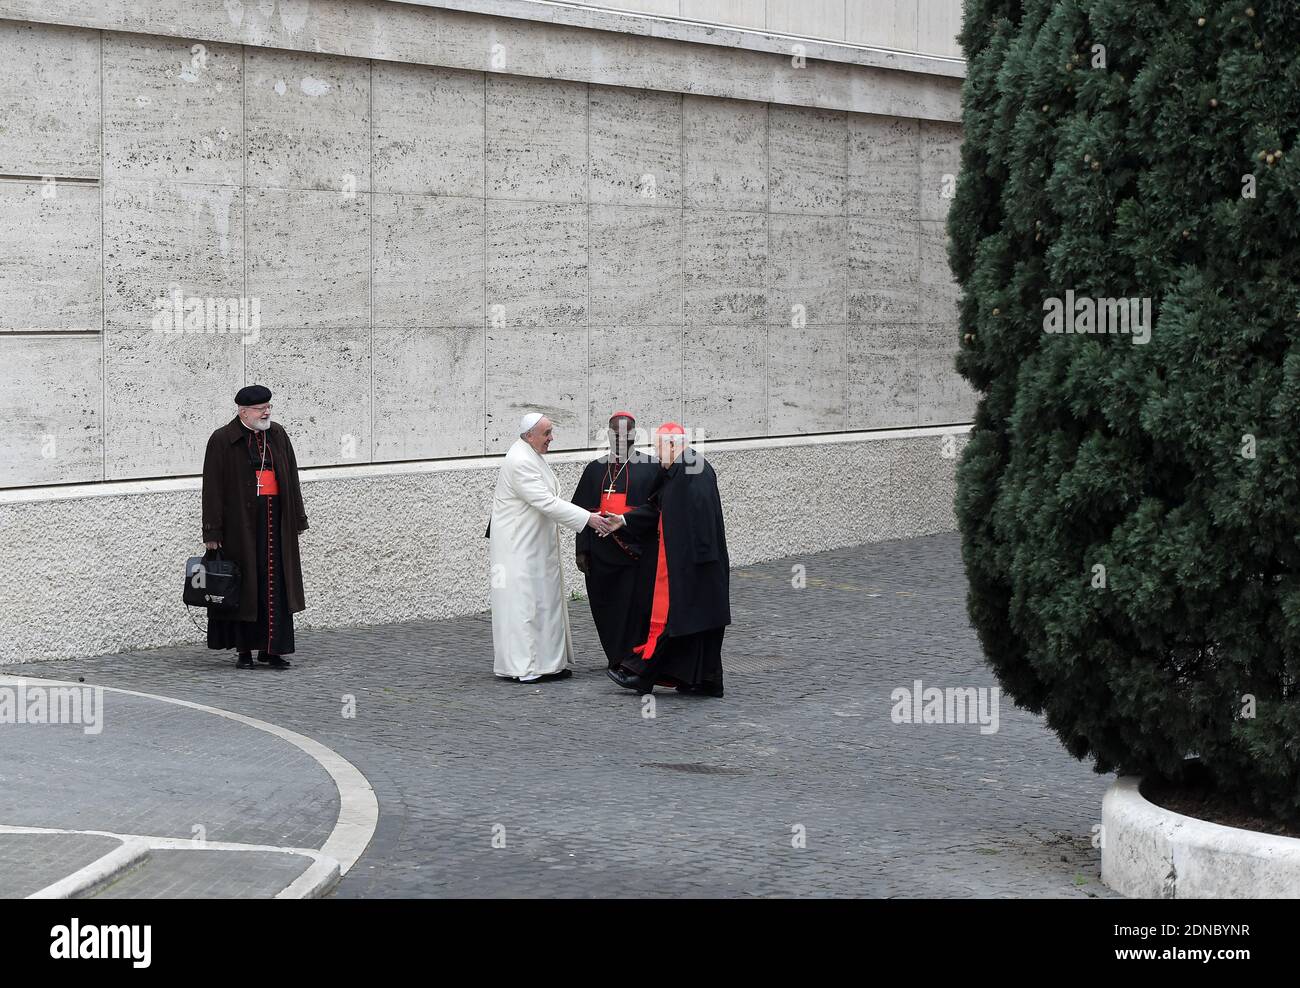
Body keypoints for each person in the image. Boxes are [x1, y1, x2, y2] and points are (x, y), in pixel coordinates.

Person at [603, 423, 730, 697]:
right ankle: (698, 681)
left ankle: (642, 674)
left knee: (681, 621)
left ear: (673, 445)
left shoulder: (694, 469)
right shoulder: (678, 469)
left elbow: (703, 522)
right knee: (692, 625)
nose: (656, 454)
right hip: (687, 564)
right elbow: (657, 508)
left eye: (659, 448)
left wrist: (694, 566)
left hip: (694, 564)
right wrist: (623, 520)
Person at [489, 412, 615, 682]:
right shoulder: (521, 460)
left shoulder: (530, 454)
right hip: (519, 547)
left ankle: (548, 663)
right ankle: (526, 667)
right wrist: (588, 519)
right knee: (525, 605)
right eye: (547, 433)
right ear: (529, 435)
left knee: (544, 602)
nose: (551, 438)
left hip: (534, 543)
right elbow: (545, 501)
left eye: (550, 432)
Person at [201, 385, 308, 670]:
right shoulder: (223, 440)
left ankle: (273, 650)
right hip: (241, 529)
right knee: (245, 588)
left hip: (276, 526)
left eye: (269, 406)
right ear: (243, 411)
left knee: (276, 587)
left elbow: (292, 478)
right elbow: (212, 489)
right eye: (261, 408)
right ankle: (245, 651)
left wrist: (297, 519)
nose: (267, 412)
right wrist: (212, 533)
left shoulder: (278, 435)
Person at [571, 411, 659, 668]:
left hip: (635, 554)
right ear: (609, 434)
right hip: (600, 554)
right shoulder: (594, 469)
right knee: (606, 607)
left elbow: (656, 511)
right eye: (615, 433)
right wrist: (582, 550)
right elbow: (580, 514)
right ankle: (614, 656)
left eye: (626, 433)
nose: (621, 438)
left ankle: (631, 658)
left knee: (634, 608)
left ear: (635, 434)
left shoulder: (651, 467)